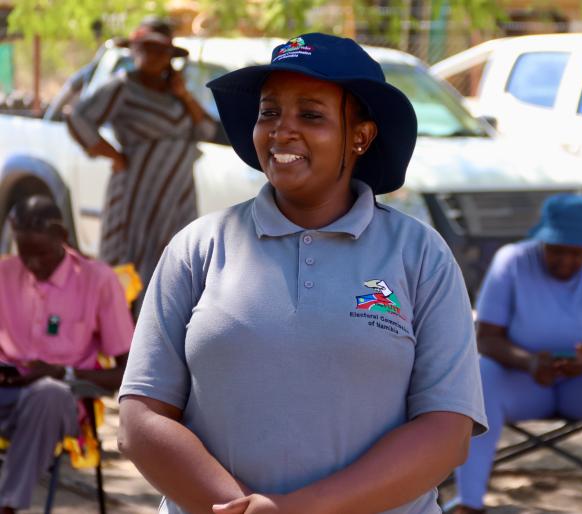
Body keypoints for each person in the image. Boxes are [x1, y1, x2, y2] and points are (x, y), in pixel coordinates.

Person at [118, 33, 487, 514]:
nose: (281, 130)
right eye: (269, 112)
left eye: (310, 115)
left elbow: (446, 431)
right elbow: (140, 420)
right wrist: (241, 509)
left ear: (361, 136)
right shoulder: (199, 248)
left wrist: (298, 509)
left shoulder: (419, 255)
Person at [454, 194, 582, 514]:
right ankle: (469, 504)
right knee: (481, 375)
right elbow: (486, 339)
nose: (565, 261)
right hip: (524, 381)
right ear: (541, 242)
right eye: (556, 250)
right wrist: (529, 362)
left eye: (576, 253)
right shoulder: (512, 261)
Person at [67, 17, 217, 301]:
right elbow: (78, 119)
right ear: (134, 49)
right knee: (128, 265)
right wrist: (114, 155)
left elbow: (207, 129)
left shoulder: (177, 95)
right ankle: (121, 340)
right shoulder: (121, 87)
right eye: (144, 48)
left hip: (176, 196)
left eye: (158, 50)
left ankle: (161, 338)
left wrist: (183, 94)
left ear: (170, 56)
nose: (151, 55)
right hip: (136, 195)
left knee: (173, 265)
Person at [0, 195, 134, 513]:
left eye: (42, 254)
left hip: (63, 399)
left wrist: (64, 373)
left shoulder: (97, 280)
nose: (32, 265)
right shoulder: (5, 274)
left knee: (48, 393)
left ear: (62, 237)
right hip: (7, 390)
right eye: (24, 253)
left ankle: (6, 506)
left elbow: (129, 372)